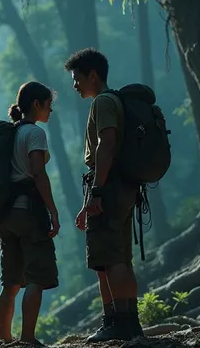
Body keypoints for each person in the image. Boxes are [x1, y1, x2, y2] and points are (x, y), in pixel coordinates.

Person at [65, 48, 144, 341]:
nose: (74, 85)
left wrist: (96, 193)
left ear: (93, 75)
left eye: (77, 78)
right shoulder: (114, 102)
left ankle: (120, 323)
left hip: (108, 187)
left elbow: (106, 145)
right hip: (119, 186)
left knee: (111, 259)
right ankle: (123, 321)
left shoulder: (104, 103)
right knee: (117, 257)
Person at [0, 82, 61, 345]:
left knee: (11, 281)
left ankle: (4, 338)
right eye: (49, 104)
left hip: (6, 215)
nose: (51, 110)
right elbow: (37, 173)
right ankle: (27, 339)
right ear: (37, 104)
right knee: (37, 277)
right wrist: (53, 210)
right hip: (29, 214)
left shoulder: (10, 133)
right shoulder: (34, 133)